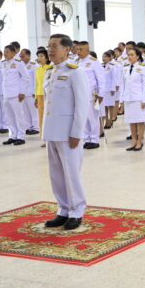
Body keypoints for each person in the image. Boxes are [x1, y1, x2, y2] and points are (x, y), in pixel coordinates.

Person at [41, 34, 90, 230]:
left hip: (68, 132)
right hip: (52, 130)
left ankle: (76, 211)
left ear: (67, 49)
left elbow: (82, 104)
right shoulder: (50, 72)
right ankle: (63, 209)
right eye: (49, 46)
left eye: (54, 46)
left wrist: (76, 132)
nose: (50, 50)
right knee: (56, 174)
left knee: (71, 174)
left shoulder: (75, 72)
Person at [74, 42, 104, 150]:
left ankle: (94, 140)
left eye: (81, 49)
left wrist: (101, 94)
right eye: (77, 49)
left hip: (92, 95)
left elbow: (101, 79)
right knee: (84, 119)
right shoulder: (76, 61)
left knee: (93, 118)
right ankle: (87, 139)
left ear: (87, 50)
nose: (78, 52)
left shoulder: (94, 62)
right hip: (79, 94)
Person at [121, 47, 145, 151]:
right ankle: (133, 141)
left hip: (138, 98)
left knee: (140, 121)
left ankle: (139, 141)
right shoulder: (125, 68)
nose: (130, 57)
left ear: (137, 56)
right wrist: (121, 100)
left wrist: (144, 100)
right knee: (131, 121)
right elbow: (122, 85)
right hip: (128, 98)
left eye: (132, 55)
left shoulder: (142, 67)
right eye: (128, 55)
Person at [0, 45, 29, 146]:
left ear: (13, 53)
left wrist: (22, 92)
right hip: (6, 94)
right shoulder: (3, 64)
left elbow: (26, 78)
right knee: (9, 117)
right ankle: (13, 135)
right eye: (4, 52)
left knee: (19, 116)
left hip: (16, 94)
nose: (5, 54)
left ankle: (21, 136)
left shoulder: (18, 63)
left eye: (7, 52)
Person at [34, 48, 53, 132]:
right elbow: (37, 83)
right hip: (40, 95)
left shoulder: (51, 68)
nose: (39, 58)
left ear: (47, 58)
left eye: (41, 56)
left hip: (49, 95)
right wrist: (35, 98)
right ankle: (43, 135)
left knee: (49, 115)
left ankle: (50, 134)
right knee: (41, 116)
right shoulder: (37, 69)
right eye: (38, 56)